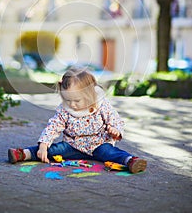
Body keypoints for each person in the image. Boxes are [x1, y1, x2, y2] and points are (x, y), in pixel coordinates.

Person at [8, 67, 147, 174]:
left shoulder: (101, 105)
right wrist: (44, 145)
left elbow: (116, 120)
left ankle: (131, 161)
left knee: (111, 153)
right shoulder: (65, 110)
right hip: (73, 145)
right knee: (53, 150)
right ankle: (23, 154)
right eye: (68, 100)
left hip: (98, 144)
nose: (72, 104)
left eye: (77, 100)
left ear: (89, 94)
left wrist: (116, 131)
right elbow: (53, 126)